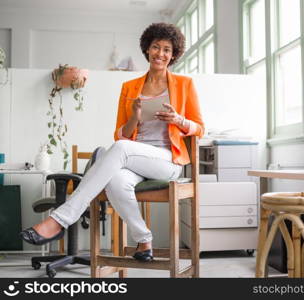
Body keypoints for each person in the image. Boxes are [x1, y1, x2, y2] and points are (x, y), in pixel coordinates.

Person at [20, 23, 204, 262]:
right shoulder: (130, 87)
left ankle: (60, 219)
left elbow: (199, 128)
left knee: (119, 150)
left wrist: (178, 119)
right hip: (135, 158)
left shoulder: (184, 84)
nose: (160, 53)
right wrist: (135, 117)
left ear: (173, 54)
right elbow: (122, 136)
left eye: (167, 49)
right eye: (156, 47)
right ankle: (144, 239)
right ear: (147, 49)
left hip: (168, 159)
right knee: (115, 181)